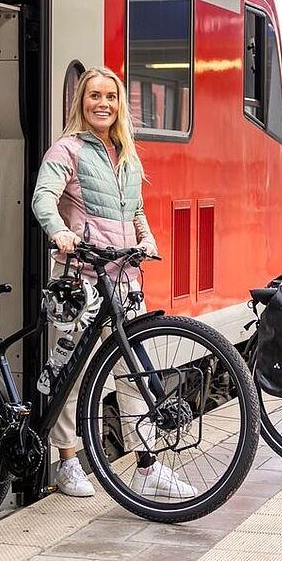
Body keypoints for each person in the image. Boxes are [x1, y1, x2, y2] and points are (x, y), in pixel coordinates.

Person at [30, 67, 196, 499]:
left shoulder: (127, 152)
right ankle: (67, 461)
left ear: (119, 104)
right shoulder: (67, 149)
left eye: (109, 96)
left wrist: (147, 237)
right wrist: (58, 231)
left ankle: (146, 464)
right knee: (71, 371)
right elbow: (42, 198)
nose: (101, 104)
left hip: (123, 279)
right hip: (80, 279)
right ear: (80, 103)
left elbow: (136, 210)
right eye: (93, 97)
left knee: (133, 371)